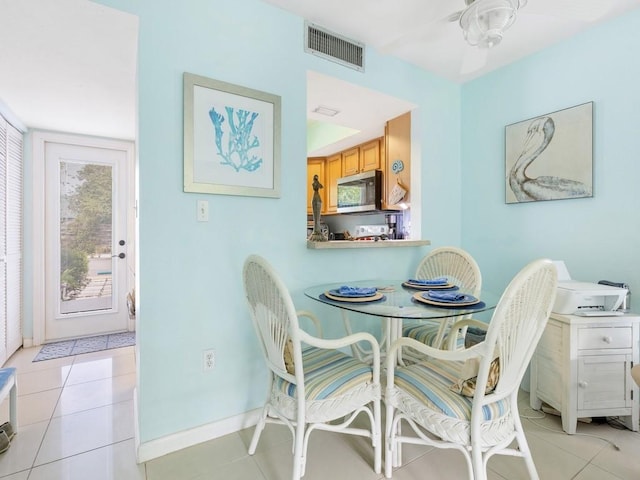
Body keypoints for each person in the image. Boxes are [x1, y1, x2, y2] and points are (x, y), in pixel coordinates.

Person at [310, 175, 326, 241]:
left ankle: (317, 230)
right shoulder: (314, 184)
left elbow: (321, 186)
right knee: (316, 214)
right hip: (316, 198)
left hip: (317, 198)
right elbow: (319, 186)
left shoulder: (316, 183)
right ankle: (316, 230)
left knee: (317, 215)